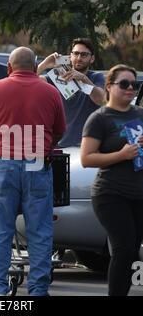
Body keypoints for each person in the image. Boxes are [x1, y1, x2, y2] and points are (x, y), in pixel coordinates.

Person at [0, 46, 66, 296]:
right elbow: (59, 130)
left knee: (0, 231)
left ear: (9, 68)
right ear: (35, 67)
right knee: (39, 232)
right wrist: (45, 146)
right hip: (37, 163)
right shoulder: (50, 92)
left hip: (3, 164)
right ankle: (38, 290)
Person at [81, 64, 143, 296]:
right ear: (108, 86)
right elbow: (87, 158)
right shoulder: (99, 118)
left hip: (139, 194)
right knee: (123, 249)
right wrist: (122, 154)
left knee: (132, 252)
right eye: (124, 84)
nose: (130, 88)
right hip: (110, 194)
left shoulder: (140, 114)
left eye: (134, 85)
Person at [37, 38, 105, 147]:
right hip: (62, 144)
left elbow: (100, 99)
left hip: (89, 145)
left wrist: (83, 78)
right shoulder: (59, 76)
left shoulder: (96, 77)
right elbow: (27, 81)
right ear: (70, 56)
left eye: (84, 55)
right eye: (76, 53)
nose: (79, 58)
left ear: (92, 58)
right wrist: (44, 64)